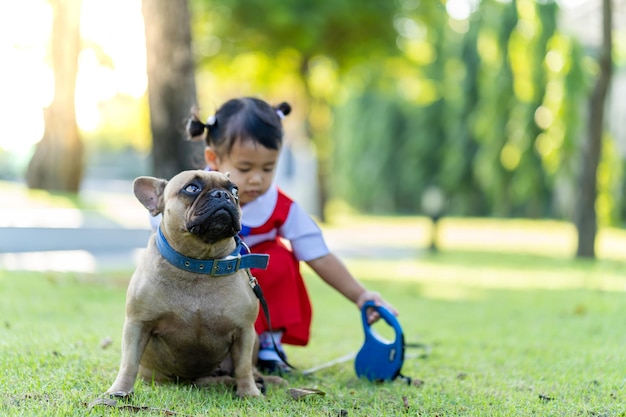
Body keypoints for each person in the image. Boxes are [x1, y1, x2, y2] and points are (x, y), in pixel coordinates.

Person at [184, 97, 398, 374]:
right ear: (213, 159)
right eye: (245, 168)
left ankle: (268, 344)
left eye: (268, 168)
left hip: (253, 292)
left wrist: (361, 296)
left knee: (278, 256)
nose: (257, 179)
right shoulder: (191, 194)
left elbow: (318, 254)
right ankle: (202, 346)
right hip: (204, 289)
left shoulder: (279, 206)